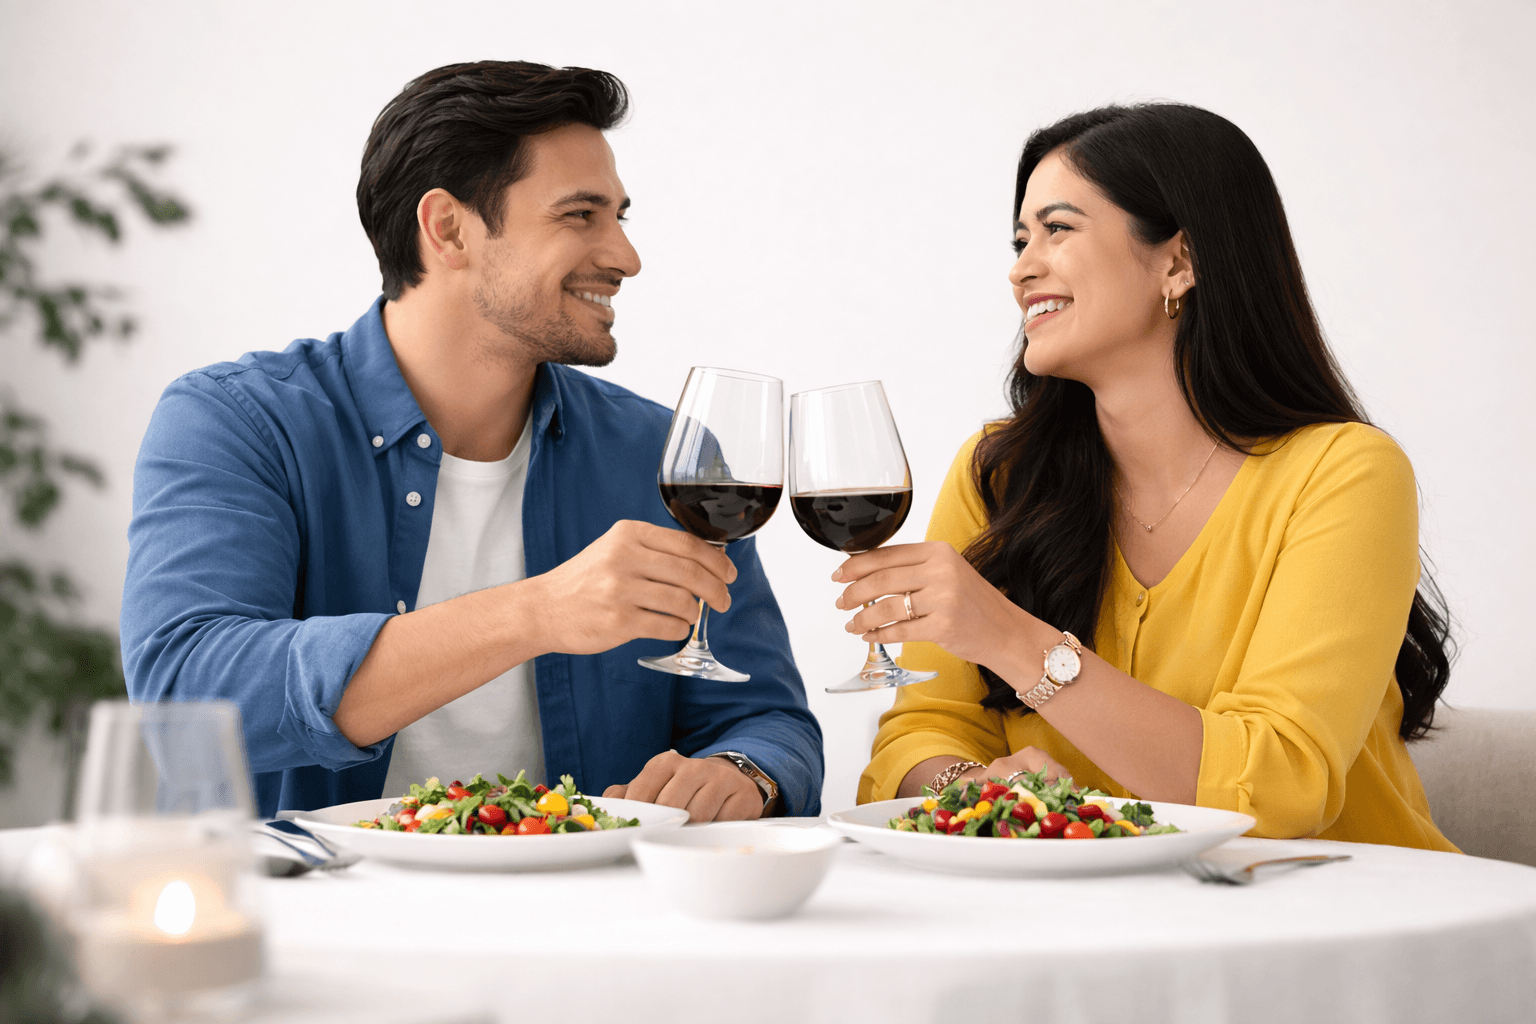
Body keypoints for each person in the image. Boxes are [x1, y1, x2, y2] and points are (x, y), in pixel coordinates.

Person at [120, 61, 822, 822]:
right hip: (319, 918)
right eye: (581, 215)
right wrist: (537, 613)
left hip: (597, 916)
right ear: (448, 228)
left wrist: (743, 771)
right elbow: (188, 694)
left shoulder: (664, 456)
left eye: (620, 216)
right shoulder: (239, 422)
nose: (626, 256)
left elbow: (767, 717)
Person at [847, 103, 1455, 850]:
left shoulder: (1341, 474)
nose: (1020, 267)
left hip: (1334, 924)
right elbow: (919, 731)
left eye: (1059, 229)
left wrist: (1012, 639)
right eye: (1019, 238)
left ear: (1178, 261)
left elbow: (1281, 789)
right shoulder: (997, 475)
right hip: (1091, 924)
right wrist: (965, 785)